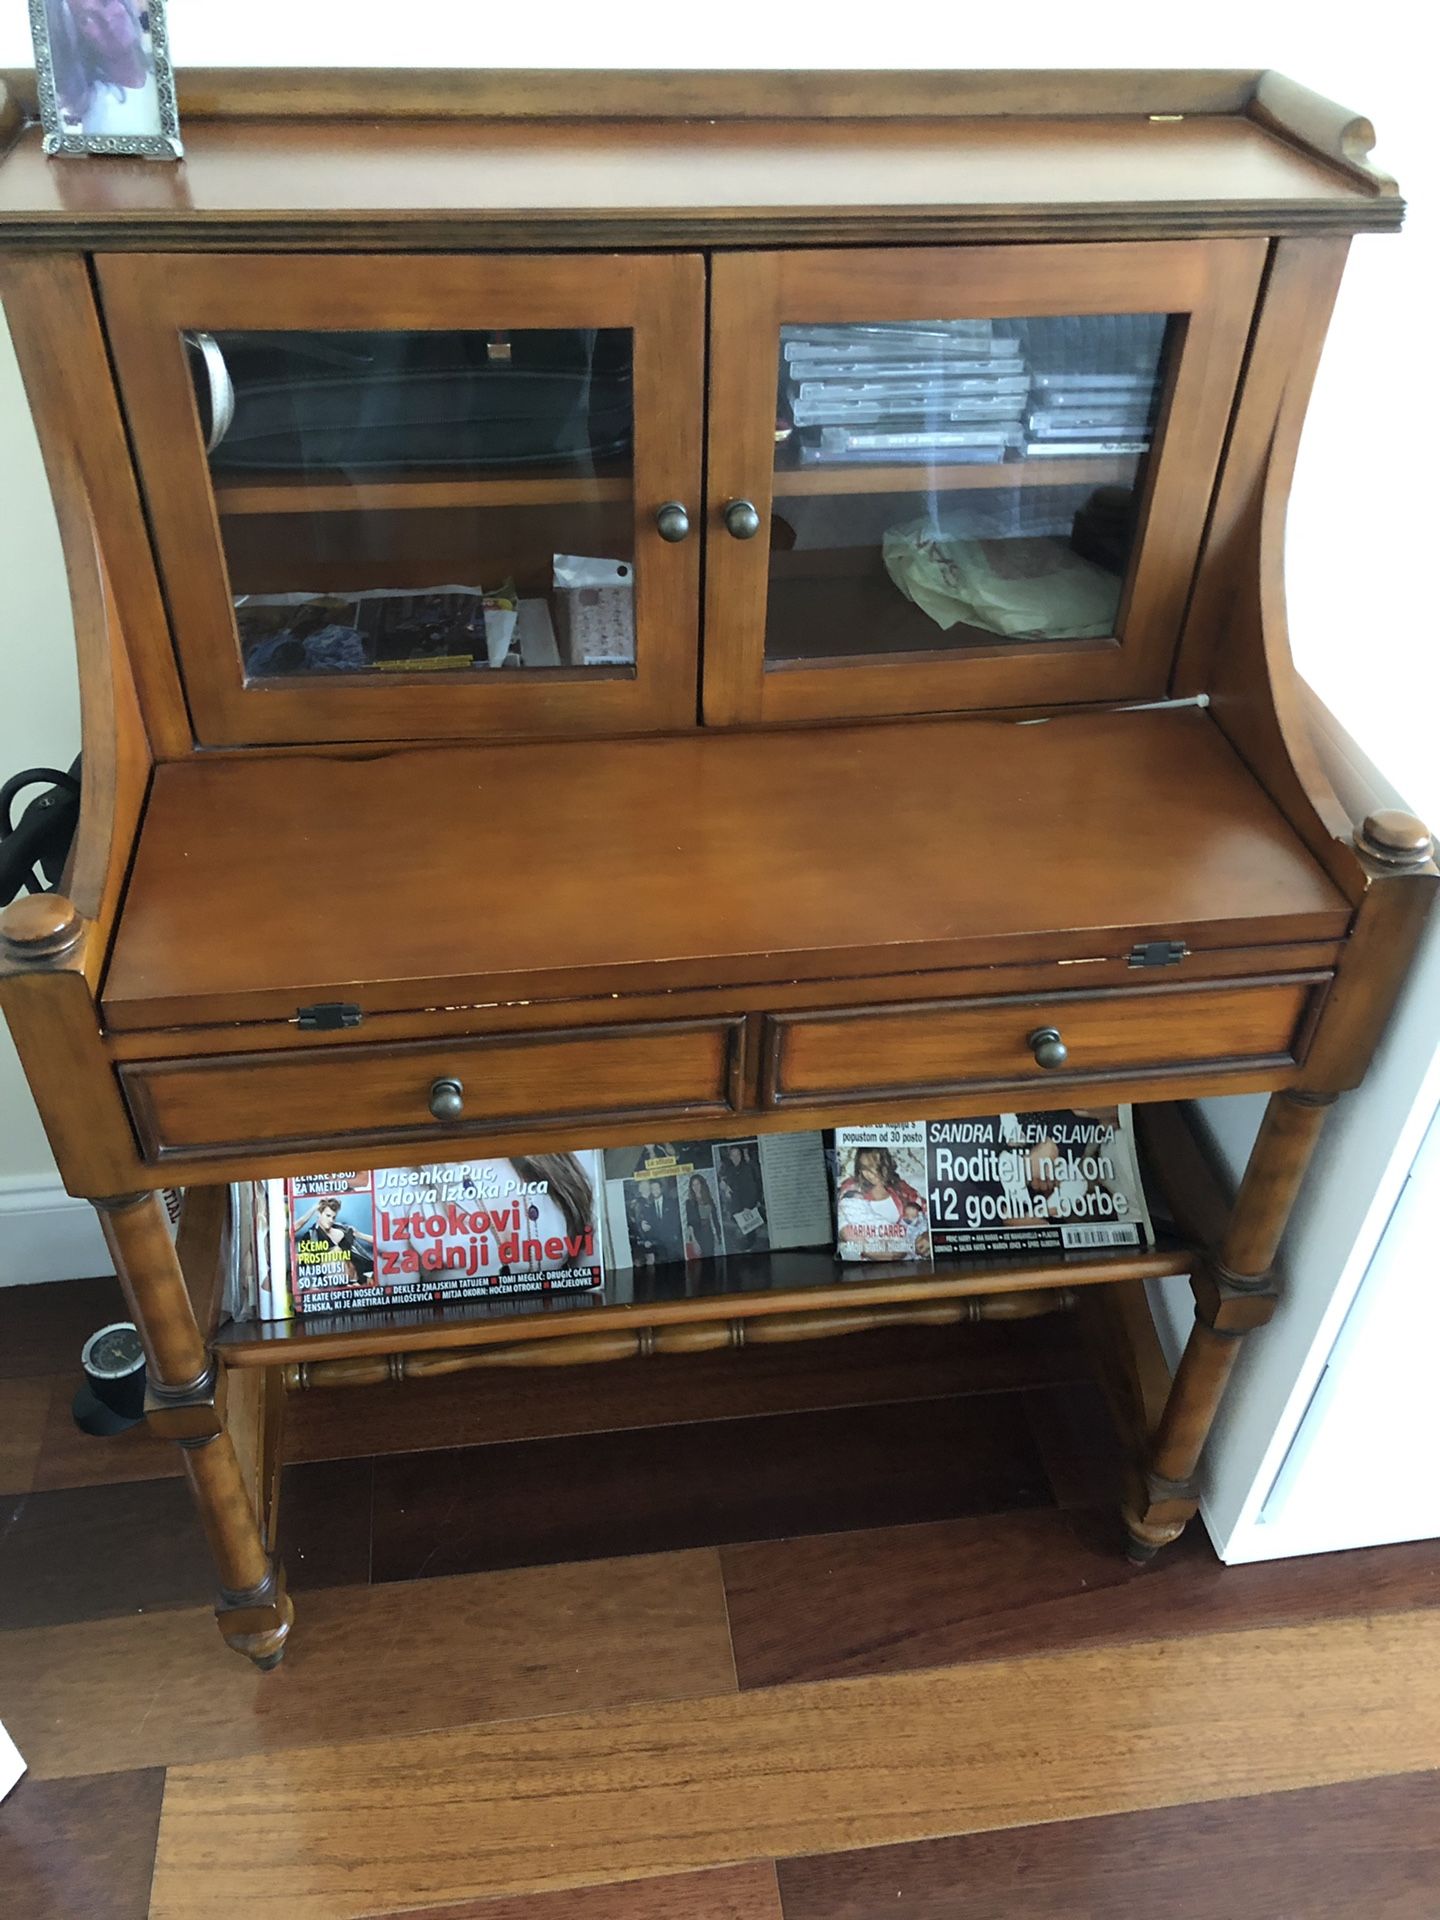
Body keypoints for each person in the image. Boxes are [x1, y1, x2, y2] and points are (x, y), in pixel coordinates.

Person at [836, 1145, 926, 1261]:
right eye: (865, 1168)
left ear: (886, 1164)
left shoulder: (902, 1189)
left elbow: (926, 1212)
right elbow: (843, 1223)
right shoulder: (851, 1188)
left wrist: (927, 1235)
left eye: (875, 1166)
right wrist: (869, 1250)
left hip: (904, 1259)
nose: (871, 1173)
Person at [293, 1195, 375, 1285]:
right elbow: (291, 1230)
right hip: (336, 1285)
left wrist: (360, 1235)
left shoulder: (342, 1229)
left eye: (333, 1217)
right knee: (336, 1250)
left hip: (361, 1278)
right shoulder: (311, 1236)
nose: (330, 1220)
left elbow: (380, 1242)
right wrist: (314, 1208)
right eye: (328, 1216)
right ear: (319, 1214)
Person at [684, 1171, 721, 1260]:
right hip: (698, 1234)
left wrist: (717, 1235)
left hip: (710, 1233)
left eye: (698, 1184)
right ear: (691, 1187)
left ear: (702, 1184)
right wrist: (694, 1241)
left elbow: (714, 1219)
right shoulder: (689, 1203)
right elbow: (690, 1223)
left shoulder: (709, 1199)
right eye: (693, 1185)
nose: (696, 1187)